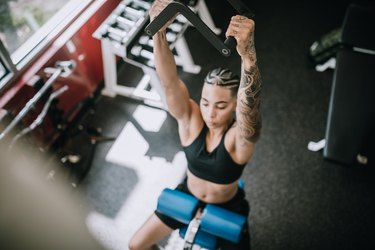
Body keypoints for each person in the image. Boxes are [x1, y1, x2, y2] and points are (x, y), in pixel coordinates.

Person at [129, 0, 262, 249]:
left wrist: (248, 57)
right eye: (205, 102)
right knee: (136, 245)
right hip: (186, 195)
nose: (210, 113)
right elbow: (169, 83)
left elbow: (250, 109)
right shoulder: (191, 120)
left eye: (221, 106)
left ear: (234, 106)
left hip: (227, 206)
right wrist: (159, 31)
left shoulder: (238, 139)